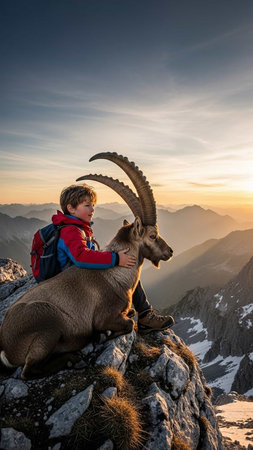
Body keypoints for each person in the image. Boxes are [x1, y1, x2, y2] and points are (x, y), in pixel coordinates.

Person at [52, 184, 174, 334]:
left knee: (127, 270)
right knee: (125, 268)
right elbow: (81, 257)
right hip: (73, 286)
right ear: (71, 208)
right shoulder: (71, 230)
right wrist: (115, 258)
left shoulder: (79, 227)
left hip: (82, 278)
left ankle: (135, 312)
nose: (92, 209)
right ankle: (144, 315)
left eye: (93, 205)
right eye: (87, 205)